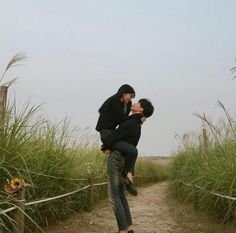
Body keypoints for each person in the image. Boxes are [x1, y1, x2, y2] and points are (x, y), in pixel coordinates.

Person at [106, 99, 154, 233]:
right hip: (123, 160)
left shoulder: (131, 122)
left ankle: (123, 231)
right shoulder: (136, 124)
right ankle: (128, 228)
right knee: (121, 196)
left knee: (114, 197)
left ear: (141, 109)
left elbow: (116, 136)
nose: (135, 103)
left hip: (116, 158)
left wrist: (105, 145)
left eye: (138, 103)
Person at [96, 84, 145, 194]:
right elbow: (121, 119)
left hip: (113, 132)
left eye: (132, 97)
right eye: (130, 95)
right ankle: (127, 176)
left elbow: (124, 121)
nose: (131, 99)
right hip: (106, 131)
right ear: (123, 93)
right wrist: (138, 117)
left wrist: (137, 118)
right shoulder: (113, 101)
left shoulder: (128, 104)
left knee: (131, 150)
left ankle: (128, 177)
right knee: (133, 151)